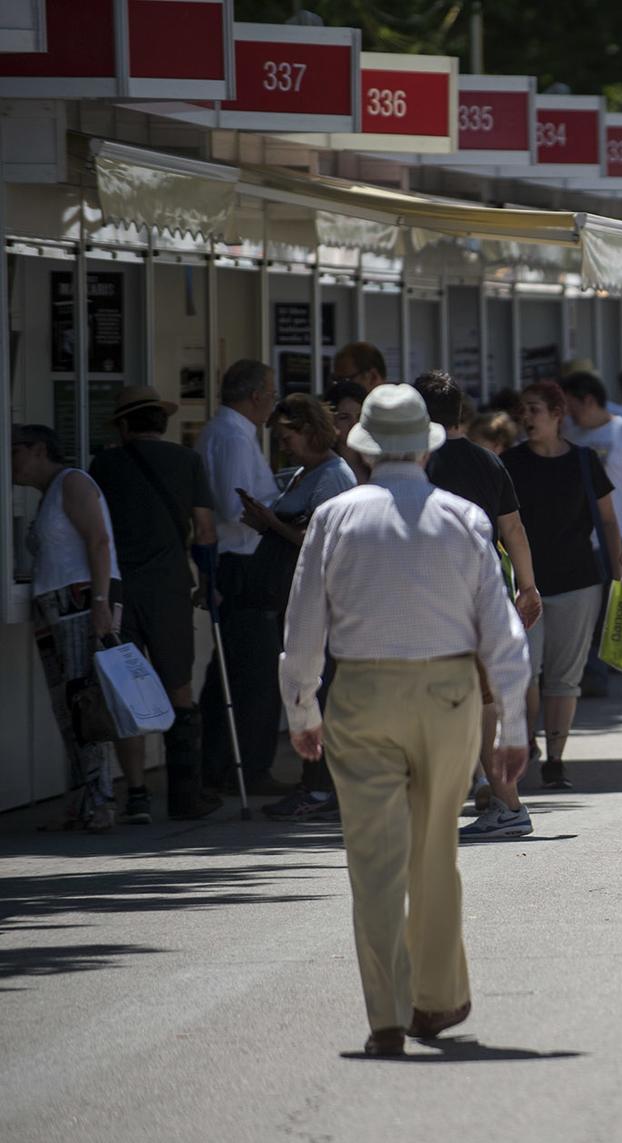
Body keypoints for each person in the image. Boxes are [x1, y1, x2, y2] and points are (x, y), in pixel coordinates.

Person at [279, 383, 531, 1057]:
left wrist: (301, 705)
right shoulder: (461, 517)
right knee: (434, 850)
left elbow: (303, 624)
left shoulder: (333, 516)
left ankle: (386, 1011)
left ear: (362, 446)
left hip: (360, 692)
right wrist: (511, 727)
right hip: (448, 693)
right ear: (426, 446)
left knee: (373, 858)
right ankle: (438, 995)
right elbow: (500, 628)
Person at [415, 372, 542, 826]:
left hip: (438, 597)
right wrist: (528, 587)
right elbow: (514, 530)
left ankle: (503, 801)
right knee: (482, 698)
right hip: (487, 591)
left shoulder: (421, 464)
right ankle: (498, 796)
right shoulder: (488, 461)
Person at [90, 385, 218, 823]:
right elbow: (204, 530)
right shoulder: (188, 462)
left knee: (126, 691)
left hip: (120, 592)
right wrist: (207, 582)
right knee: (178, 688)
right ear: (160, 424)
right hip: (170, 590)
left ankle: (138, 796)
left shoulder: (104, 465)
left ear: (125, 425)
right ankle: (186, 797)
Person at [497, 382, 616, 805]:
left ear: (557, 412)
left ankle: (556, 759)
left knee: (564, 678)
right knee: (524, 672)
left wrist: (619, 567)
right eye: (521, 412)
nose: (526, 418)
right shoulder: (509, 462)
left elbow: (608, 519)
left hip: (580, 582)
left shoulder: (584, 462)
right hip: (523, 586)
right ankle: (525, 742)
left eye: (534, 410)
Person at [12, 424, 130, 831]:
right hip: (52, 605)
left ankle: (101, 801)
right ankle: (82, 798)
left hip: (79, 601)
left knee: (85, 702)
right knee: (67, 705)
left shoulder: (73, 482)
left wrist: (100, 602)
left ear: (39, 449)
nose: (10, 462)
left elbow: (99, 541)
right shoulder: (48, 496)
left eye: (15, 450)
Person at [248, 394, 358, 822]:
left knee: (315, 690)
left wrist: (274, 524)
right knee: (303, 687)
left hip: (321, 602)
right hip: (293, 598)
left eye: (288, 435)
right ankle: (315, 783)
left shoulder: (333, 476)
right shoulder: (304, 474)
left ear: (311, 431)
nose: (283, 445)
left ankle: (320, 787)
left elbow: (324, 542)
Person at [196, 359, 285, 796]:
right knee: (254, 671)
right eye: (270, 394)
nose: (273, 402)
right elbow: (235, 508)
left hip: (239, 561)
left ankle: (222, 764)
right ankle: (247, 767)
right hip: (242, 562)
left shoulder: (233, 433)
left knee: (234, 669)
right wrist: (281, 508)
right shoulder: (231, 436)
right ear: (255, 397)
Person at [562, 371, 622, 698]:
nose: (568, 413)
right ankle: (593, 676)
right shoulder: (570, 432)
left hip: (621, 533)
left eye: (571, 405)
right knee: (589, 611)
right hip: (580, 537)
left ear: (589, 400)